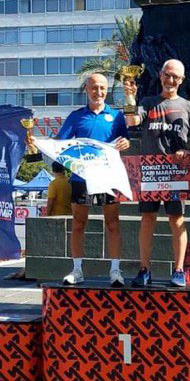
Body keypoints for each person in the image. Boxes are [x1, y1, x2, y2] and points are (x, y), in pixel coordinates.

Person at [126, 59, 190, 288]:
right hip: (149, 171)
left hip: (176, 173)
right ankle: (144, 270)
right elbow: (132, 120)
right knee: (147, 219)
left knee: (176, 219)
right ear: (160, 75)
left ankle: (178, 270)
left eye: (176, 77)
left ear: (182, 80)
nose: (171, 80)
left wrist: (189, 150)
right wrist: (130, 98)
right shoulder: (148, 102)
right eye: (167, 75)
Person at [57, 73, 130, 286]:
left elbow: (124, 139)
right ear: (87, 90)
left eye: (102, 88)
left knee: (113, 224)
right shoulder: (76, 116)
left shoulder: (116, 116)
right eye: (94, 88)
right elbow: (61, 143)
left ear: (107, 90)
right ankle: (77, 270)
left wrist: (125, 142)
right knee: (79, 224)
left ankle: (115, 271)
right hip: (81, 178)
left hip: (109, 177)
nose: (98, 92)